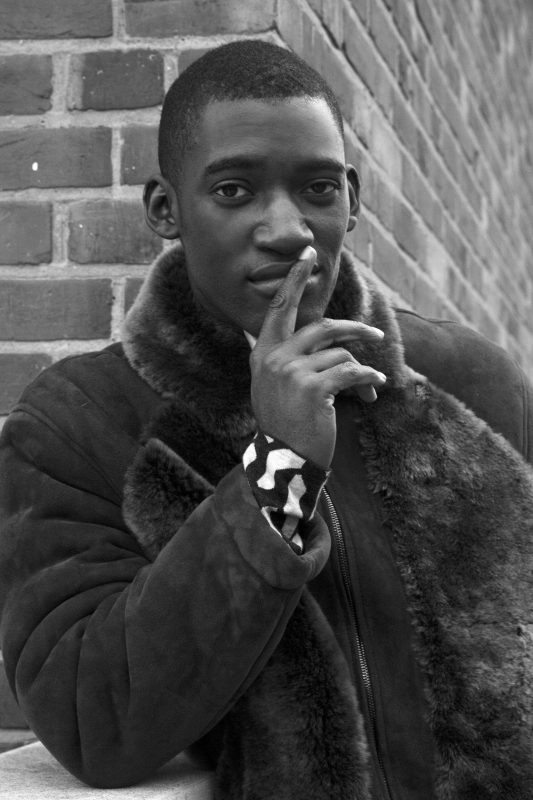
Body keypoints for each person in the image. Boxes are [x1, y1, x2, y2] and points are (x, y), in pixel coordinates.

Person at [0, 39, 532, 800]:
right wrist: (278, 469)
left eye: (317, 188)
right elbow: (94, 723)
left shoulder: (471, 380)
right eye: (234, 190)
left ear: (352, 199)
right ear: (165, 209)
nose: (287, 228)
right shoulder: (78, 422)